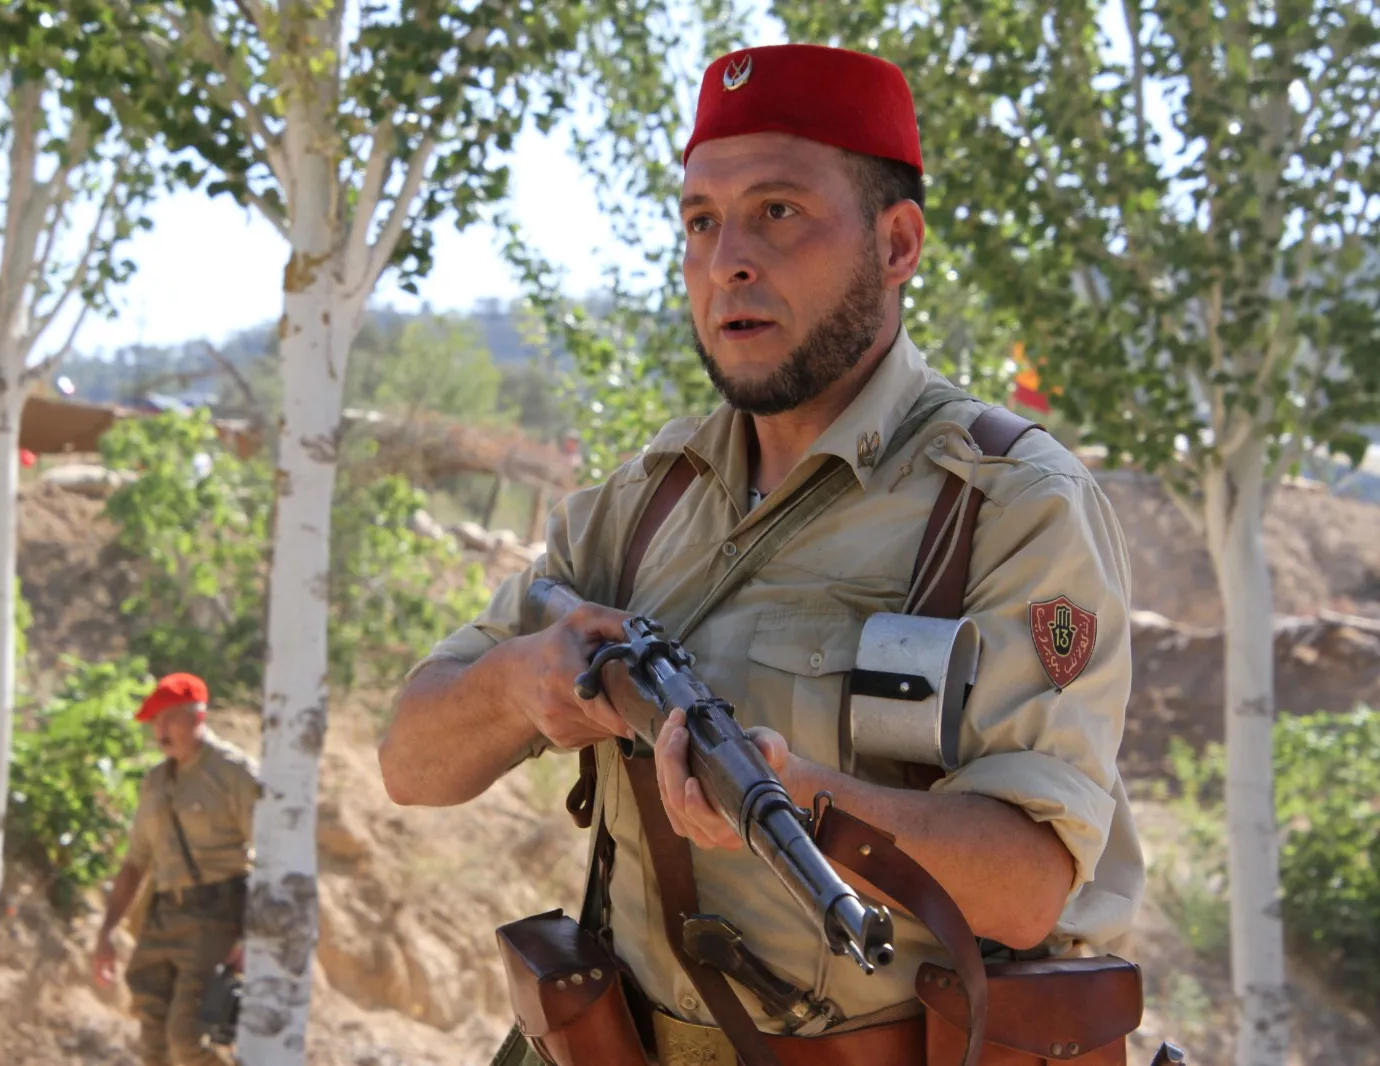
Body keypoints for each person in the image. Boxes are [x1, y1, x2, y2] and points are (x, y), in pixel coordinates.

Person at [380, 42, 1143, 1065]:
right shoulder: (642, 504)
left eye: (778, 211)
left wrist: (800, 797)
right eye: (700, 221)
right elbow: (409, 762)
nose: (727, 259)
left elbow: (1028, 880)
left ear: (898, 243)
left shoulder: (1004, 503)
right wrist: (524, 683)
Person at [92, 673, 260, 1066]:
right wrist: (107, 929)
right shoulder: (155, 782)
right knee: (153, 1040)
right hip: (164, 915)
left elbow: (269, 856)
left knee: (187, 1038)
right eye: (154, 722)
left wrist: (252, 936)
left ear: (198, 716)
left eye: (169, 719)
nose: (160, 731)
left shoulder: (232, 773)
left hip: (216, 913)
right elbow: (135, 862)